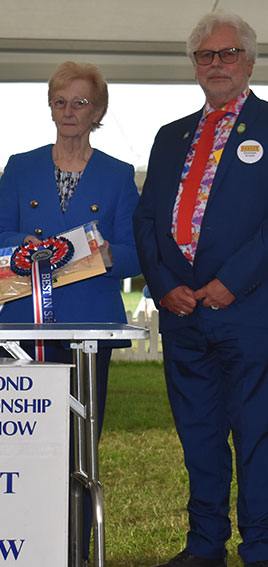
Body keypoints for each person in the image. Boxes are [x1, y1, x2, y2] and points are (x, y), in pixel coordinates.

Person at [0, 61, 140, 565]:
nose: (70, 112)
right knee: (19, 445)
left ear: (100, 111)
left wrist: (105, 253)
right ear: (50, 107)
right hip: (24, 327)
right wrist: (23, 244)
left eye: (82, 102)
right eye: (61, 102)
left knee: (78, 448)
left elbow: (138, 251)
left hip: (89, 329)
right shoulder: (20, 165)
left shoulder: (117, 174)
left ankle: (75, 549)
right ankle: (21, 546)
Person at [133, 10, 268, 567]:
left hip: (248, 310)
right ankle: (205, 544)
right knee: (198, 436)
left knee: (257, 435)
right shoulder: (170, 137)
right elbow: (146, 221)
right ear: (194, 65)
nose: (217, 64)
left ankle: (260, 547)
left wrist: (230, 283)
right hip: (183, 314)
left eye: (228, 53)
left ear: (250, 61)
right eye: (205, 55)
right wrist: (164, 286)